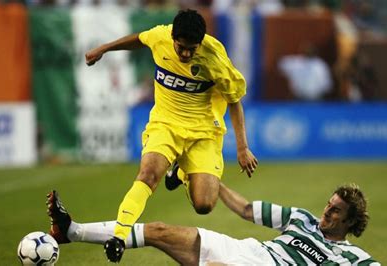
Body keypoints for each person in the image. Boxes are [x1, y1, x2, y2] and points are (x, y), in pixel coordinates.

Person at [83, 9, 258, 262]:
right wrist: (104, 48)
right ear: (172, 37)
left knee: (204, 204)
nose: (185, 53)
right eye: (181, 47)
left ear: (201, 42)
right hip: (165, 124)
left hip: (203, 133)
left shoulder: (216, 59)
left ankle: (179, 172)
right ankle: (119, 235)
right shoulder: (160, 36)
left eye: (192, 48)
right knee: (148, 174)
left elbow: (234, 101)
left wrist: (242, 148)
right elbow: (140, 39)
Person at [47, 177, 379, 264]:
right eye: (329, 204)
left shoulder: (349, 258)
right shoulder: (302, 219)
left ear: (350, 222)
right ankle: (71, 231)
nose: (327, 211)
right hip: (248, 250)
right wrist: (213, 183)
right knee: (160, 231)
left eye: (336, 211)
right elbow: (248, 210)